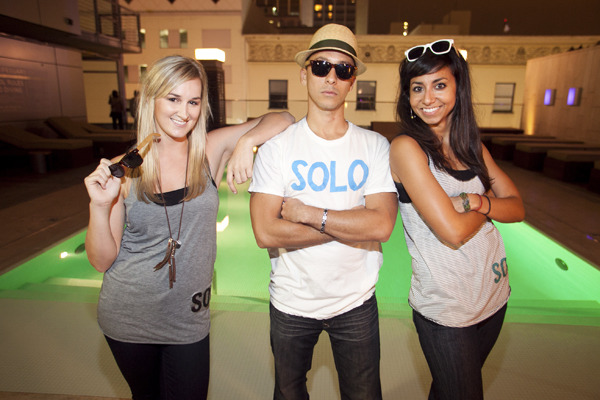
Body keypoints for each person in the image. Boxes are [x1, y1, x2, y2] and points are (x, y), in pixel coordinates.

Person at [84, 55, 293, 399]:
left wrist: (246, 142)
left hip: (188, 317)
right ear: (151, 99)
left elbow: (283, 118)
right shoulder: (123, 170)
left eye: (193, 101)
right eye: (173, 99)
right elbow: (102, 260)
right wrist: (99, 205)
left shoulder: (210, 150)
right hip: (129, 315)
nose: (184, 112)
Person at [248, 24, 398, 400]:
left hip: (356, 301)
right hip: (291, 302)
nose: (331, 77)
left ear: (352, 82)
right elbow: (265, 232)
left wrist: (308, 213)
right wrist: (353, 221)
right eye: (321, 66)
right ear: (304, 75)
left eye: (343, 69)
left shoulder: (375, 146)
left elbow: (381, 225)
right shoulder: (276, 149)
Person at [390, 39, 525, 399]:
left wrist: (474, 201)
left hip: (493, 295)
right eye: (417, 87)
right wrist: (489, 204)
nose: (427, 98)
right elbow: (451, 231)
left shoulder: (472, 147)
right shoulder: (407, 149)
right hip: (448, 309)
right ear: (407, 96)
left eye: (439, 85)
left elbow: (517, 208)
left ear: (457, 88)